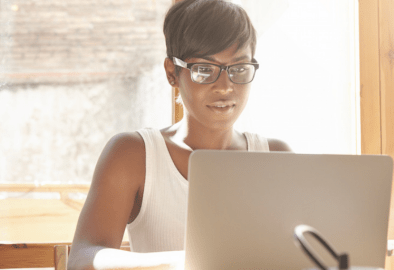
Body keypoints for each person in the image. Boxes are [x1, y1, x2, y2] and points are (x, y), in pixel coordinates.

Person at [67, 0, 291, 269]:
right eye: (205, 69)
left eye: (239, 68)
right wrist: (184, 262)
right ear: (172, 73)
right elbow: (82, 257)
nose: (225, 86)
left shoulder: (277, 157)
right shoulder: (133, 154)